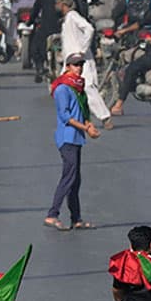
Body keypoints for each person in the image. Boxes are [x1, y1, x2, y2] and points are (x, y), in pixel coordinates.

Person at [46, 54, 100, 232]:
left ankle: (76, 218)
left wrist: (88, 124)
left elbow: (82, 112)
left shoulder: (78, 88)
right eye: (75, 65)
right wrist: (86, 128)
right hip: (67, 137)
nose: (79, 68)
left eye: (81, 65)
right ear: (67, 66)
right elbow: (65, 116)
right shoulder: (63, 88)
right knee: (69, 177)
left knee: (75, 179)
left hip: (76, 138)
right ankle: (52, 214)